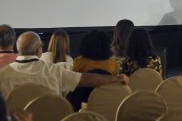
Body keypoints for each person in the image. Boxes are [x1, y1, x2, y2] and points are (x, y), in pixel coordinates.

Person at [0, 31, 128, 97]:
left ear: (18, 49)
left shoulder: (3, 74)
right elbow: (85, 79)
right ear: (39, 50)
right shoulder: (53, 71)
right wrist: (115, 78)